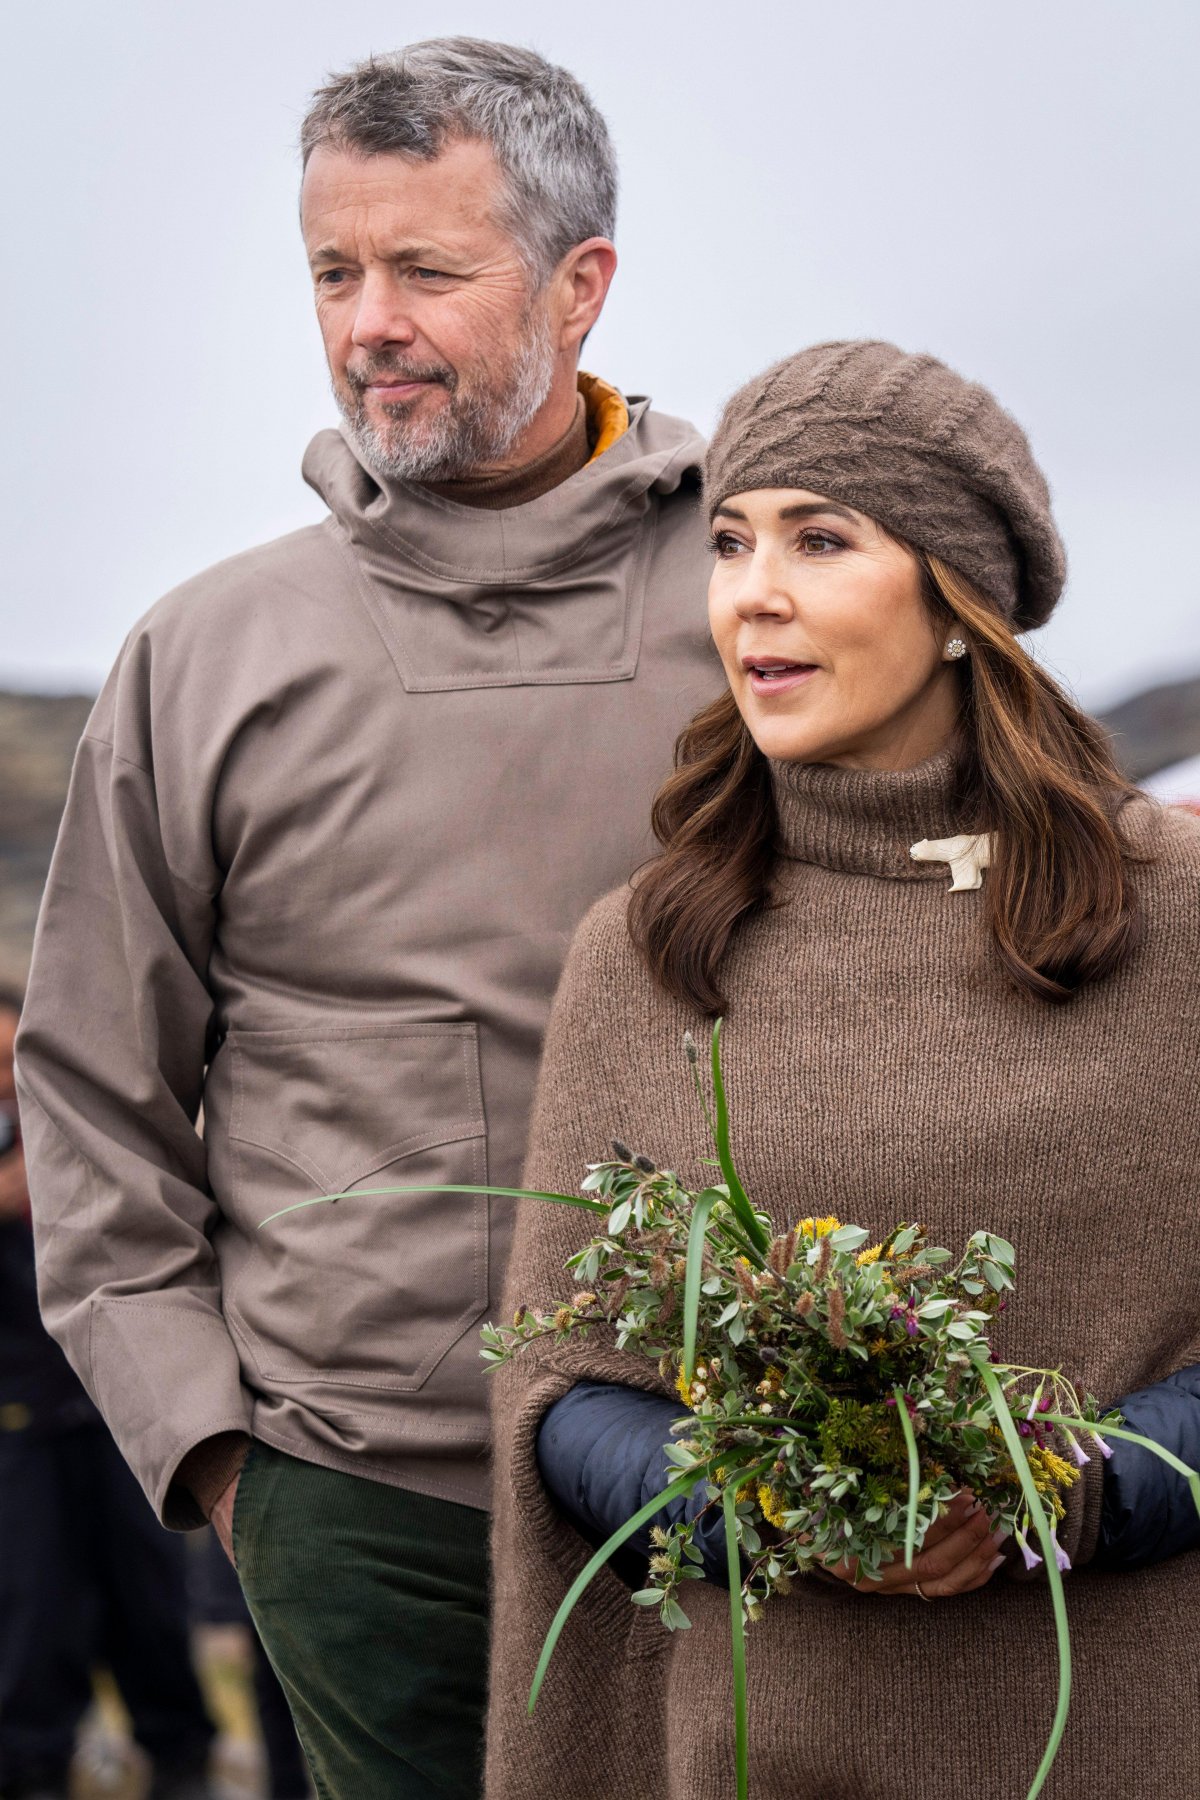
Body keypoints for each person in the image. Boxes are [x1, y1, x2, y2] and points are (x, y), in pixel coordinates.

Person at [14, 38, 717, 1800]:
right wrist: (228, 1469)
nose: (366, 324)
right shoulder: (208, 655)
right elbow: (96, 1096)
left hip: (749, 1493)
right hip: (362, 1513)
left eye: (427, 269)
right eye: (334, 271)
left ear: (581, 285)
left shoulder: (769, 597)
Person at [486, 341, 1200, 1799]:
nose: (754, 591)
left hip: (1132, 1732)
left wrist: (1057, 1494)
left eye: (823, 539)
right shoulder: (649, 949)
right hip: (775, 1744)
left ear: (956, 600)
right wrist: (753, 1498)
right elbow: (559, 1386)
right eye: (732, 541)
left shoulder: (1172, 919)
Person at [0, 992, 219, 1800]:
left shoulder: (75, 1136)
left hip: (112, 1413)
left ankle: (183, 1761)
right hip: (16, 1430)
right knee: (31, 1613)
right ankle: (31, 1768)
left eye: (9, 1062)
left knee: (152, 1600)